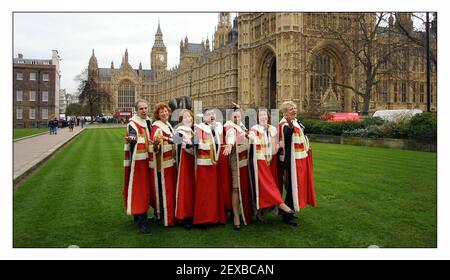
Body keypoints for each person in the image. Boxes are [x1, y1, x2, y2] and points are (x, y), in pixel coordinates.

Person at [249, 108, 295, 223]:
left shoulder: (273, 129)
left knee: (272, 185)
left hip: (272, 163)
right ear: (257, 118)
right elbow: (252, 140)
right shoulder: (254, 129)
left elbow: (275, 147)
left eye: (265, 115)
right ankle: (264, 211)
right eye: (261, 115)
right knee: (262, 187)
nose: (263, 117)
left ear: (268, 116)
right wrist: (251, 138)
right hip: (260, 163)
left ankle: (264, 212)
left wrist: (279, 145)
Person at [278, 101, 316, 226]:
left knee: (295, 187)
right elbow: (287, 135)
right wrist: (289, 124)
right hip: (291, 160)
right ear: (285, 112)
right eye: (290, 109)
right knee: (291, 188)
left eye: (295, 108)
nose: (294, 110)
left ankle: (289, 211)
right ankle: (287, 216)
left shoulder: (296, 122)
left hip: (300, 157)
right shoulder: (284, 124)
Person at [123, 99, 153, 234]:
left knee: (148, 189)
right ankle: (142, 221)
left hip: (149, 161)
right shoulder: (132, 124)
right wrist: (132, 139)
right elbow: (133, 136)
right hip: (139, 163)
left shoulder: (149, 122)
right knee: (139, 190)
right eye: (141, 109)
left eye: (146, 108)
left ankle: (139, 214)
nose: (144, 110)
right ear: (136, 110)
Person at [193, 108, 227, 226]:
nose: (211, 116)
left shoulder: (219, 127)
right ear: (204, 117)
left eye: (213, 113)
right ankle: (204, 219)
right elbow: (197, 143)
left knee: (216, 191)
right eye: (208, 114)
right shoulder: (200, 127)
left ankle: (217, 217)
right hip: (204, 165)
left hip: (216, 164)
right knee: (205, 191)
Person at [223, 104, 253, 229]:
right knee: (235, 187)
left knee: (243, 186)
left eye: (239, 116)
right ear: (230, 117)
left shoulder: (239, 125)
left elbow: (243, 130)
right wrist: (230, 145)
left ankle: (234, 211)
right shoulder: (229, 126)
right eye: (235, 116)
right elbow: (230, 136)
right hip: (235, 159)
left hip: (244, 159)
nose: (237, 118)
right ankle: (236, 215)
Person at [150, 102, 177, 227]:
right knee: (163, 191)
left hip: (171, 163)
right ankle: (163, 216)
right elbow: (155, 142)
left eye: (166, 111)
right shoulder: (157, 126)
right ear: (157, 115)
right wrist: (158, 143)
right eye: (161, 112)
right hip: (162, 165)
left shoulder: (168, 126)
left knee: (170, 190)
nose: (164, 113)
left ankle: (170, 215)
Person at [174, 109, 195, 229]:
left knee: (192, 189)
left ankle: (192, 213)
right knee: (186, 189)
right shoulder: (180, 130)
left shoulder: (193, 130)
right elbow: (179, 140)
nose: (189, 118)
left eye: (190, 116)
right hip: (185, 164)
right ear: (181, 120)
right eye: (186, 117)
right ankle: (186, 216)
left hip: (193, 163)